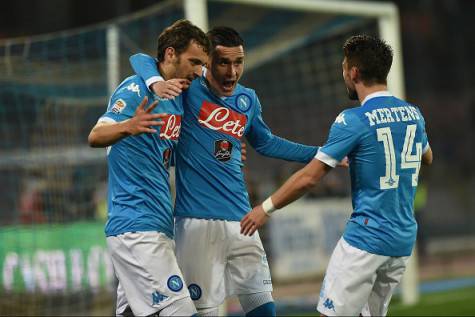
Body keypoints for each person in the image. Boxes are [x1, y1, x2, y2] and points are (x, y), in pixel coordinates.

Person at [130, 27, 329, 316]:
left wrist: (321, 153)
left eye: (239, 62)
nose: (232, 72)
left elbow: (267, 142)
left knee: (263, 307)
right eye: (223, 62)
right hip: (198, 223)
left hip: (243, 221)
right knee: (204, 311)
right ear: (206, 62)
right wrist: (155, 83)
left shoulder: (248, 100)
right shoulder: (188, 89)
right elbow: (140, 59)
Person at [240, 35, 433, 317]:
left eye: (344, 67)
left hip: (366, 239)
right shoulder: (413, 114)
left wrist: (265, 208)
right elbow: (427, 157)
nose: (343, 74)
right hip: (402, 241)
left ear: (353, 72)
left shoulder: (353, 119)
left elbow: (310, 178)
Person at [88, 19, 210, 317]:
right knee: (181, 311)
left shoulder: (178, 99)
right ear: (170, 55)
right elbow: (95, 135)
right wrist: (130, 125)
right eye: (194, 62)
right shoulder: (135, 89)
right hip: (134, 226)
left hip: (157, 223)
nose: (199, 71)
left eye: (202, 64)